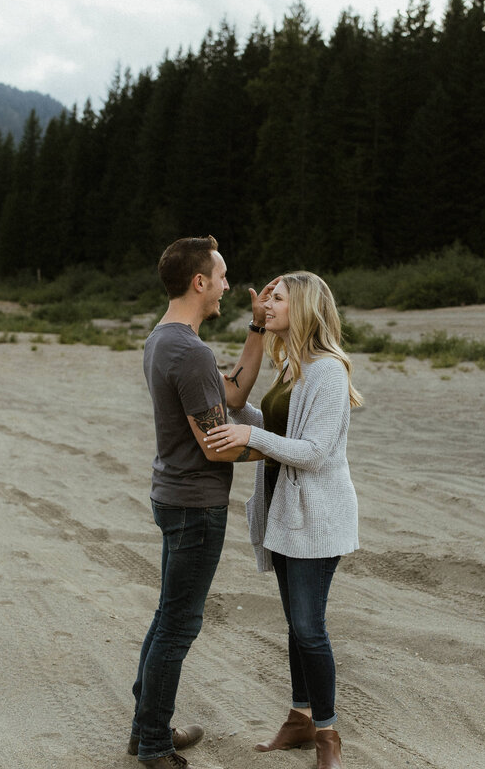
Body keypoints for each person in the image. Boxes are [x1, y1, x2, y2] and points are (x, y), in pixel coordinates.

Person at [129, 235, 279, 769]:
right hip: (194, 504)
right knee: (179, 624)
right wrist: (286, 452)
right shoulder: (187, 352)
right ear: (199, 282)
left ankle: (145, 727)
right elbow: (217, 446)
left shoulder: (165, 339)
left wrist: (257, 327)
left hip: (173, 495)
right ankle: (152, 744)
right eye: (221, 276)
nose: (228, 285)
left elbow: (233, 393)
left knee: (168, 615)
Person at [204, 271, 363, 769]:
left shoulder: (328, 371)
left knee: (309, 628)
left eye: (276, 299)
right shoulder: (294, 367)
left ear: (306, 308)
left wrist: (249, 440)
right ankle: (298, 720)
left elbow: (314, 453)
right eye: (267, 297)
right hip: (285, 513)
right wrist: (240, 419)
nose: (266, 304)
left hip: (316, 517)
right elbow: (277, 425)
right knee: (296, 625)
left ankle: (328, 735)